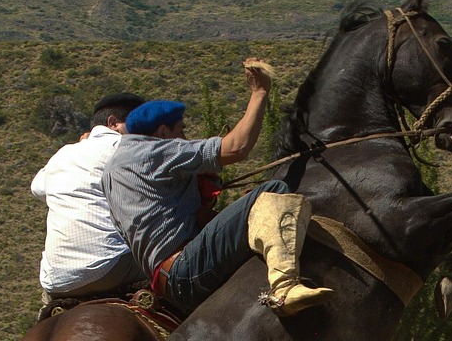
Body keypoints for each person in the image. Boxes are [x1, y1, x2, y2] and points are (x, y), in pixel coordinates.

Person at [101, 60, 333, 318]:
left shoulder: (113, 170)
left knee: (257, 208)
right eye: (182, 131)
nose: (185, 139)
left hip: (166, 281)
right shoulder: (153, 152)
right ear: (164, 132)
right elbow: (236, 147)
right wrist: (259, 92)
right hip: (185, 269)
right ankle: (285, 287)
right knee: (273, 190)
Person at [31, 92, 149, 319]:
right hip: (108, 268)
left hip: (56, 280)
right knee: (176, 264)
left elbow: (37, 188)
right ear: (113, 123)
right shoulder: (127, 147)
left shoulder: (64, 153)